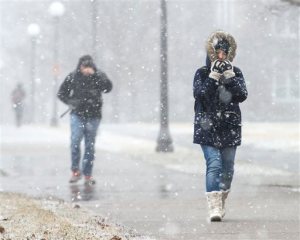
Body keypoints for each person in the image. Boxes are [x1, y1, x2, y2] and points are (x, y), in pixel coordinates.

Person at [193, 31, 248, 221]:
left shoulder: (236, 72)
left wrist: (230, 77)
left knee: (228, 168)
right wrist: (213, 77)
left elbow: (241, 95)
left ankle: (222, 198)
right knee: (213, 165)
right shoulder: (201, 73)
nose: (221, 56)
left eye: (224, 53)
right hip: (207, 126)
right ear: (212, 53)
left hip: (229, 125)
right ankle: (214, 207)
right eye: (217, 53)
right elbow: (200, 96)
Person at [58, 55, 112, 185]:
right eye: (84, 66)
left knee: (90, 145)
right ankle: (75, 171)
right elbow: (61, 93)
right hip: (77, 114)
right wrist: (71, 102)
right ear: (80, 66)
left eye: (89, 67)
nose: (86, 70)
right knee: (75, 141)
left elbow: (108, 88)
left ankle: (88, 174)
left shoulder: (99, 76)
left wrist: (97, 76)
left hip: (94, 115)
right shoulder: (73, 77)